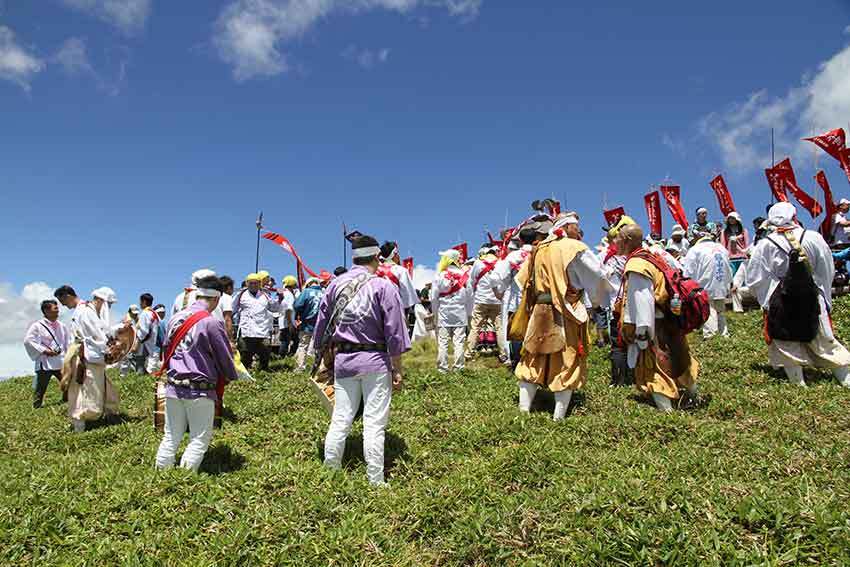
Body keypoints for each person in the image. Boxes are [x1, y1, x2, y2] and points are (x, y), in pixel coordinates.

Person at [316, 234, 411, 485]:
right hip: (375, 360)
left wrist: (324, 358)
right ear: (377, 258)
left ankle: (331, 471)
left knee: (341, 418)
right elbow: (395, 331)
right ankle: (376, 480)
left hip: (344, 360)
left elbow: (320, 328)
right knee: (374, 423)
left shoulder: (334, 285)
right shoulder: (383, 286)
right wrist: (397, 368)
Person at [514, 212, 610, 420]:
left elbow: (521, 280)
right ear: (566, 228)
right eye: (576, 227)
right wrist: (596, 298)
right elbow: (598, 275)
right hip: (567, 311)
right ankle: (558, 417)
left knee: (533, 356)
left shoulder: (537, 249)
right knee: (568, 358)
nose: (579, 231)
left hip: (539, 310)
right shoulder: (573, 247)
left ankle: (524, 410)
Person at [746, 202, 850, 387]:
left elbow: (755, 278)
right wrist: (822, 292)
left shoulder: (764, 245)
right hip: (812, 295)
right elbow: (827, 269)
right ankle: (845, 379)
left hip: (781, 300)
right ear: (794, 217)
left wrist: (769, 299)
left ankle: (798, 384)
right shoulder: (813, 237)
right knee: (824, 339)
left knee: (786, 341)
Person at [155, 275, 238, 472]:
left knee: (171, 435)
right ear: (217, 299)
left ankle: (161, 475)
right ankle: (185, 480)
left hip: (174, 386)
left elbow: (166, 349)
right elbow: (224, 357)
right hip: (200, 389)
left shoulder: (175, 318)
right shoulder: (211, 323)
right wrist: (231, 375)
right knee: (199, 439)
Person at [614, 224, 699, 412]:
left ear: (627, 240)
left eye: (618, 237)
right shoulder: (653, 257)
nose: (615, 241)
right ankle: (693, 396)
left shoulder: (636, 264)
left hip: (654, 325)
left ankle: (666, 412)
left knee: (655, 369)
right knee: (679, 359)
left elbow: (643, 299)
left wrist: (643, 332)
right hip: (669, 318)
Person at [54, 285, 122, 432]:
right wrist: (107, 350)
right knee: (84, 389)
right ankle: (80, 424)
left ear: (67, 296)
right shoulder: (85, 311)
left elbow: (99, 331)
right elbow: (96, 335)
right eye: (108, 304)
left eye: (63, 301)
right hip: (86, 357)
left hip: (88, 357)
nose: (63, 305)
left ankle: (108, 415)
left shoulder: (85, 311)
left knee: (93, 387)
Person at [496, 228, 536, 368]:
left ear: (520, 240)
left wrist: (499, 291)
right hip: (537, 299)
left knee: (516, 331)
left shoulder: (514, 256)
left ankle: (518, 362)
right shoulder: (541, 253)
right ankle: (535, 361)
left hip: (516, 300)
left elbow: (499, 276)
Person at [682, 233, 732, 339]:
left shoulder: (695, 249)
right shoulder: (721, 248)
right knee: (720, 309)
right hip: (721, 283)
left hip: (705, 284)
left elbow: (688, 271)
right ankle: (724, 333)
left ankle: (711, 336)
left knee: (708, 308)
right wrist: (728, 283)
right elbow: (729, 266)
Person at [430, 249, 473, 372]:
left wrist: (435, 313)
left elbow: (434, 297)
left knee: (443, 341)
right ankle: (458, 367)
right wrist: (469, 313)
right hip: (460, 311)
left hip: (444, 311)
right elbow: (470, 296)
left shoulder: (439, 275)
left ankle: (442, 368)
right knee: (459, 341)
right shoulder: (465, 275)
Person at [24, 299, 70, 408]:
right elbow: (28, 340)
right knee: (41, 387)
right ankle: (37, 406)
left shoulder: (62, 326)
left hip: (60, 360)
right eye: (55, 308)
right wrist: (44, 350)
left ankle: (66, 400)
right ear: (46, 311)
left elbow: (67, 341)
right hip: (45, 362)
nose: (58, 310)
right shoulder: (37, 325)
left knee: (67, 382)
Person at [465, 244, 508, 361]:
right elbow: (505, 281)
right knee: (499, 328)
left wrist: (475, 293)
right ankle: (503, 354)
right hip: (497, 300)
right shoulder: (500, 263)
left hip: (481, 300)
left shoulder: (478, 263)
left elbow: (471, 281)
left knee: (475, 328)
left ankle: (469, 353)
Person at [232, 273, 280, 372]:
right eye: (251, 283)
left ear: (260, 284)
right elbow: (232, 310)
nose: (253, 285)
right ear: (247, 283)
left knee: (265, 352)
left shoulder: (265, 295)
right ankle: (243, 374)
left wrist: (280, 298)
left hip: (262, 331)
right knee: (245, 354)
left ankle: (264, 372)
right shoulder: (240, 295)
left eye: (256, 283)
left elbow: (274, 308)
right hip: (246, 331)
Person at [377, 241, 419, 312]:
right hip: (394, 312)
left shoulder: (374, 271)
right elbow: (408, 299)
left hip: (375, 312)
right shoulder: (401, 271)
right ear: (394, 254)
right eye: (397, 253)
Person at [293, 277, 324, 371]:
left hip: (307, 323)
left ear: (309, 284)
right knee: (321, 347)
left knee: (303, 345)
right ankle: (320, 368)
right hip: (322, 324)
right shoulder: (324, 292)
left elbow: (297, 305)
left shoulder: (306, 291)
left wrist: (300, 314)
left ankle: (300, 367)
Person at [134, 293, 161, 374]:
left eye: (140, 302)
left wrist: (136, 344)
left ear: (144, 302)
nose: (140, 304)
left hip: (144, 344)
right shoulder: (154, 313)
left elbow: (143, 331)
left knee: (140, 367)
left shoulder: (145, 313)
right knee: (146, 367)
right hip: (151, 343)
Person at [721, 211, 750, 276]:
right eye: (729, 218)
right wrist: (724, 255)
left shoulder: (744, 231)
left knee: (742, 277)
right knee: (732, 277)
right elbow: (723, 244)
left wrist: (747, 254)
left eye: (732, 218)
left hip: (742, 257)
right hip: (730, 257)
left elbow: (746, 243)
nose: (731, 220)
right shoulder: (724, 231)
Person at [277, 275, 298, 357]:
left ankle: (285, 356)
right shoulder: (289, 295)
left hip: (283, 321)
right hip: (287, 322)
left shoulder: (284, 293)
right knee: (286, 341)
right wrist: (290, 323)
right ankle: (283, 357)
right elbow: (288, 310)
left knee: (286, 340)